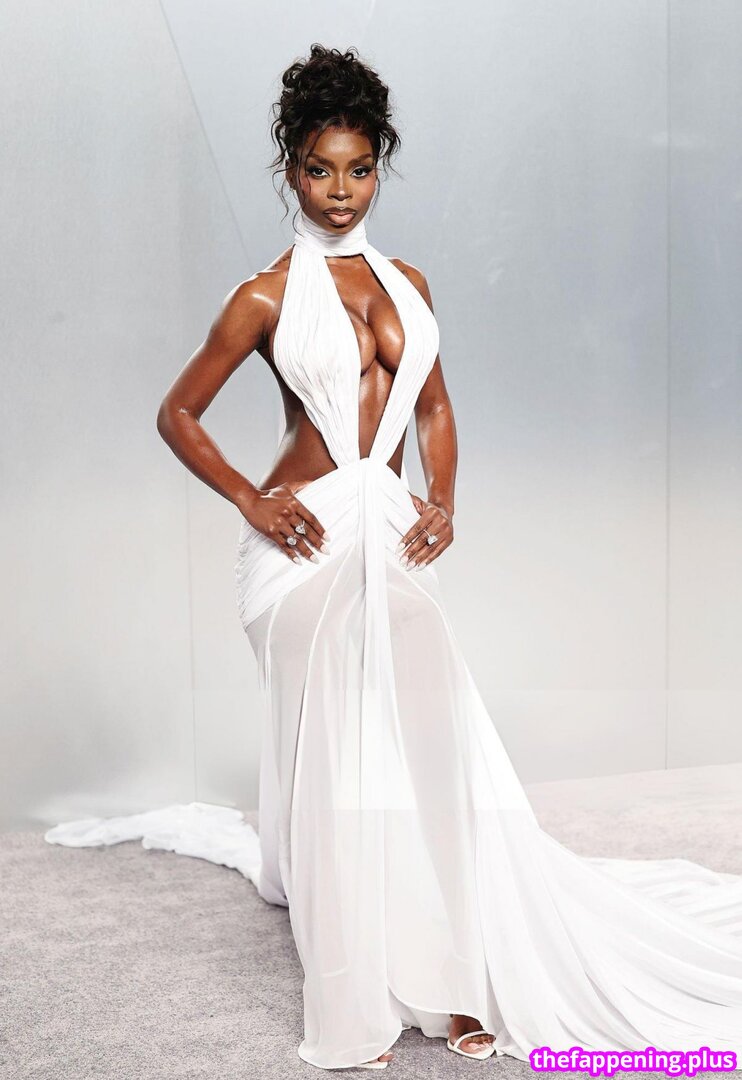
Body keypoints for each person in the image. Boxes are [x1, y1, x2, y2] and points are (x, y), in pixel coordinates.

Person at [46, 44, 742, 1073]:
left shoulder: (410, 284)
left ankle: (457, 971)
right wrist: (251, 497)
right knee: (342, 742)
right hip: (302, 547)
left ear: (380, 167)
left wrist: (445, 501)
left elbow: (436, 408)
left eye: (359, 169)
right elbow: (177, 412)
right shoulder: (262, 296)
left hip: (389, 532)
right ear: (290, 168)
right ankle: (354, 991)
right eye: (319, 169)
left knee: (430, 744)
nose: (339, 191)